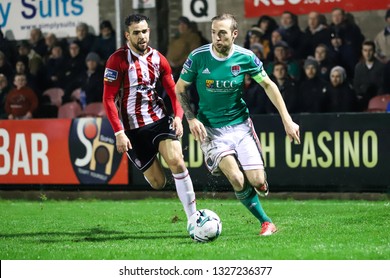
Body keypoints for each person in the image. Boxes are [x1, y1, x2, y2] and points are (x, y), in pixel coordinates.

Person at [175, 13, 300, 236]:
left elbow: (269, 85)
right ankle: (266, 222)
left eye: (222, 33)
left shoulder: (246, 57)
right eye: (214, 32)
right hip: (211, 130)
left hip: (241, 126)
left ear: (234, 34)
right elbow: (180, 88)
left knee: (257, 181)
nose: (217, 38)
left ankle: (260, 185)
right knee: (236, 177)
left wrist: (287, 119)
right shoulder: (198, 57)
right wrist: (191, 118)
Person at [103, 14, 197, 221]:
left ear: (149, 32)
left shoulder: (159, 59)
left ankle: (193, 218)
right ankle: (153, 159)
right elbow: (108, 99)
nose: (141, 36)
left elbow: (175, 93)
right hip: (132, 130)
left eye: (144, 31)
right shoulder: (116, 60)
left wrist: (178, 117)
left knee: (177, 161)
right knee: (158, 182)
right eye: (136, 33)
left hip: (158, 120)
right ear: (128, 36)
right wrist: (119, 132)